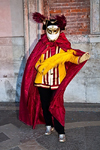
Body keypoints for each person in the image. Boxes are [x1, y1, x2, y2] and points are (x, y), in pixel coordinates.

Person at [19, 12, 90, 142]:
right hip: (42, 81)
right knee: (45, 105)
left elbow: (71, 57)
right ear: (46, 30)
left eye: (55, 29)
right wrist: (40, 67)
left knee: (57, 105)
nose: (52, 32)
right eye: (49, 29)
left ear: (59, 30)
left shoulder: (63, 45)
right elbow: (34, 61)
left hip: (58, 82)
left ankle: (60, 130)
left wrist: (80, 59)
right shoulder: (41, 44)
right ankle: (48, 125)